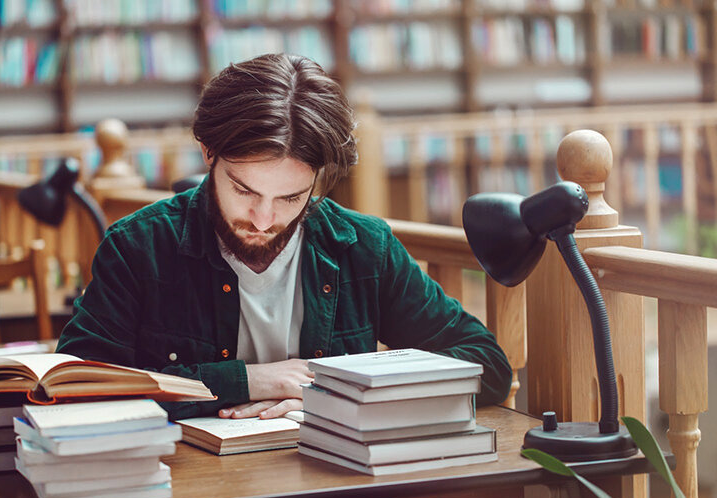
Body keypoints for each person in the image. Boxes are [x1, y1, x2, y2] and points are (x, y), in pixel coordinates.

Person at [56, 53, 512, 420]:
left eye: (291, 197)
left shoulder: (364, 248)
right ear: (207, 153)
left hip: (333, 481)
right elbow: (77, 387)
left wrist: (343, 399)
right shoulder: (137, 248)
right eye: (243, 190)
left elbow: (486, 365)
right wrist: (251, 380)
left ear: (317, 181)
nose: (262, 219)